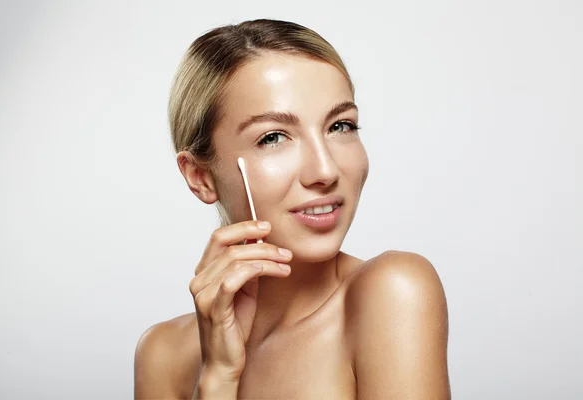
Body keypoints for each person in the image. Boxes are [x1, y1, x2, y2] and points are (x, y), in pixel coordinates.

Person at [134, 19, 450, 399]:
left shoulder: (394, 291)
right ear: (201, 176)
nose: (325, 170)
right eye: (273, 137)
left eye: (340, 126)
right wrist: (218, 378)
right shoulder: (163, 354)